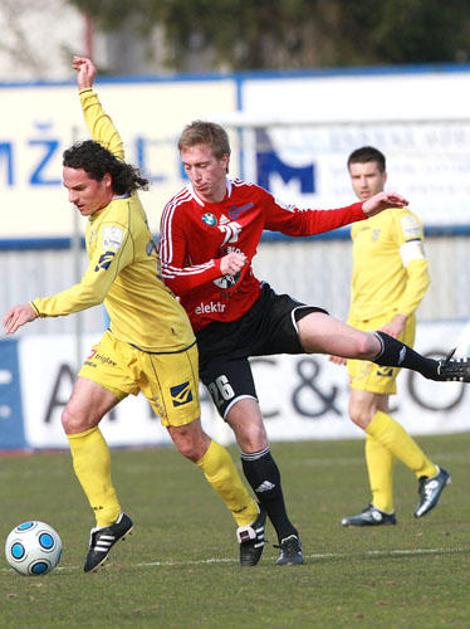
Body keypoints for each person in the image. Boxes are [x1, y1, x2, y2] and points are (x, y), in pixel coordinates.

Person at [158, 121, 470, 565]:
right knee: (252, 434)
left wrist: (363, 209)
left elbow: (302, 222)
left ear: (224, 160)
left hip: (261, 312)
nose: (196, 174)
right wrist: (215, 267)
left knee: (357, 344)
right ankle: (287, 538)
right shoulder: (178, 211)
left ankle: (435, 369)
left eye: (203, 165)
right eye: (188, 166)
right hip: (213, 337)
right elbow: (169, 276)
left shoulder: (252, 198)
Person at [2, 58, 264, 573]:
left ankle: (248, 517)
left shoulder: (117, 227)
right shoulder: (113, 180)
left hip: (165, 345)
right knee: (76, 419)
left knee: (190, 444)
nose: (73, 199)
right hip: (124, 340)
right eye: (67, 189)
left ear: (104, 183)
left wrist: (37, 307)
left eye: (79, 189)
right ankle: (109, 518)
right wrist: (87, 91)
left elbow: (94, 289)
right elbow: (109, 135)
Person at [330, 146, 450, 527]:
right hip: (363, 329)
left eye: (370, 176)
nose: (363, 183)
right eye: (356, 177)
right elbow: (361, 285)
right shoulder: (359, 223)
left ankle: (430, 473)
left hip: (388, 328)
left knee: (360, 412)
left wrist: (399, 317)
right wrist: (345, 335)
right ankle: (382, 506)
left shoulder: (403, 219)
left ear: (384, 176)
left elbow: (420, 274)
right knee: (374, 414)